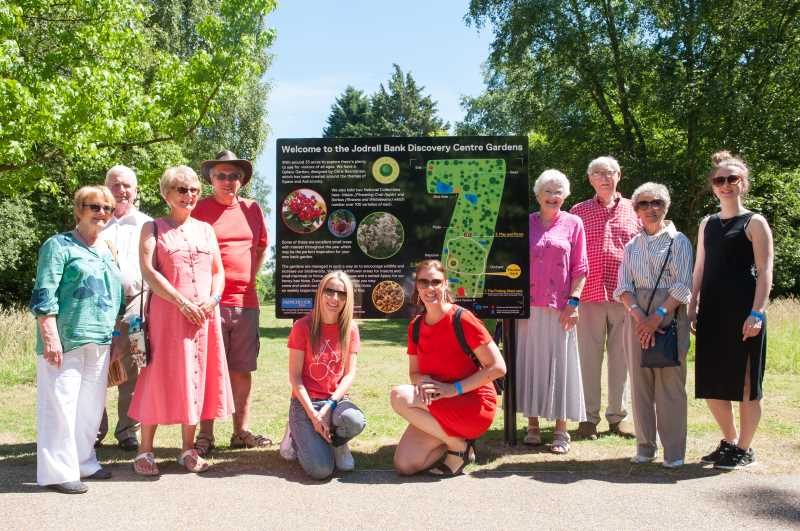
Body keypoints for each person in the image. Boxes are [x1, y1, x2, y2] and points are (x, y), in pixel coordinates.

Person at [128, 166, 234, 475]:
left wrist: (212, 301)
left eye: (194, 190)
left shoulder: (206, 229)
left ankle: (187, 449)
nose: (189, 195)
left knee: (198, 375)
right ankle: (145, 451)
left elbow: (218, 271)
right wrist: (181, 301)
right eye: (181, 190)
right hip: (168, 315)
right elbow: (149, 270)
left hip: (203, 317)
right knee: (158, 375)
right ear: (166, 194)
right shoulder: (153, 228)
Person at [30, 186, 124, 494]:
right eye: (94, 206)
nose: (101, 213)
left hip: (99, 340)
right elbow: (44, 293)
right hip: (65, 338)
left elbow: (115, 297)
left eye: (107, 208)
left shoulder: (108, 249)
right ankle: (58, 471)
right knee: (60, 405)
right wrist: (50, 335)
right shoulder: (58, 246)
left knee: (90, 407)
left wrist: (116, 336)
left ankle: (85, 461)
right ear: (78, 210)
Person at [689, 151, 774, 470]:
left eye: (732, 179)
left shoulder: (755, 222)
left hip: (744, 312)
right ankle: (730, 440)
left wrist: (758, 312)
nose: (725, 185)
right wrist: (692, 304)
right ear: (713, 186)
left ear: (743, 184)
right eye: (719, 180)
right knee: (711, 380)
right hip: (711, 311)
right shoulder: (706, 224)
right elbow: (699, 267)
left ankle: (745, 449)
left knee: (748, 383)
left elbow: (765, 270)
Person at [391, 260, 507, 476]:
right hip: (439, 401)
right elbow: (414, 373)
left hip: (473, 404)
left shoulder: (462, 319)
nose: (429, 288)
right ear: (417, 286)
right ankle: (458, 444)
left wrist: (453, 389)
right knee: (405, 465)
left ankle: (457, 447)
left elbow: (499, 368)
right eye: (423, 282)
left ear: (445, 284)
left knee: (398, 395)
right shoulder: (416, 325)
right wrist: (422, 382)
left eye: (435, 281)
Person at [192, 150, 270, 455]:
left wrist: (250, 277)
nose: (228, 181)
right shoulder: (198, 210)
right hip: (210, 303)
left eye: (234, 175)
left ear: (242, 180)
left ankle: (240, 432)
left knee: (242, 370)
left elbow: (261, 248)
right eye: (221, 175)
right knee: (209, 369)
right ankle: (205, 434)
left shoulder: (252, 209)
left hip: (246, 303)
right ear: (211, 179)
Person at [615, 183, 693, 468]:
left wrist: (656, 317)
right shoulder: (631, 245)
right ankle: (645, 447)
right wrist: (640, 319)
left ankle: (674, 452)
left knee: (670, 387)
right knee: (640, 384)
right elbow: (623, 286)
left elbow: (683, 284)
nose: (651, 208)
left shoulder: (679, 241)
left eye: (657, 202)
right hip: (636, 318)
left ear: (667, 206)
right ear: (636, 209)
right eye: (644, 204)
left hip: (670, 315)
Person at [516, 170, 588, 453]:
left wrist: (574, 301)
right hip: (528, 308)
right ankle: (532, 425)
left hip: (561, 308)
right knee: (530, 362)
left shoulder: (574, 223)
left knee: (560, 365)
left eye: (559, 191)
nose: (553, 195)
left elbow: (580, 267)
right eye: (548, 190)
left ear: (565, 196)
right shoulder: (525, 223)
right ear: (538, 195)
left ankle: (561, 431)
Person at [570, 156, 640, 440]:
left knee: (621, 359)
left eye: (609, 173)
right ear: (590, 179)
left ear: (619, 175)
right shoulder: (578, 211)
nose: (604, 178)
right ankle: (588, 418)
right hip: (588, 295)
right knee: (587, 358)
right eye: (598, 173)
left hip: (624, 296)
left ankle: (617, 417)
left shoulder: (635, 209)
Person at [285, 271, 366, 480]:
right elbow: (295, 378)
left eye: (342, 293)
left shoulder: (351, 329)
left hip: (335, 403)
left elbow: (349, 374)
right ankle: (294, 434)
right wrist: (313, 414)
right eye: (329, 291)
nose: (334, 298)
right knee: (321, 471)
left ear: (348, 299)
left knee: (355, 420)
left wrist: (330, 405)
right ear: (320, 292)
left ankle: (337, 443)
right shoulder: (302, 327)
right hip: (306, 404)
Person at [96, 165, 152, 452]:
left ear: (136, 189)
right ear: (107, 188)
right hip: (97, 310)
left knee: (132, 371)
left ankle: (128, 431)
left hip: (136, 307)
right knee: (96, 369)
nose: (122, 191)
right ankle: (95, 429)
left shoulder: (147, 223)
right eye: (116, 185)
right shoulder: (94, 221)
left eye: (128, 185)